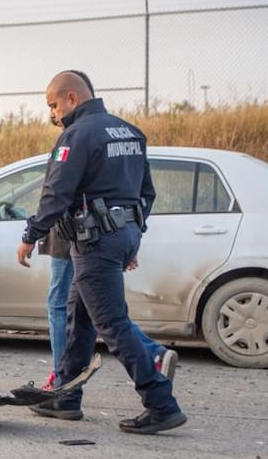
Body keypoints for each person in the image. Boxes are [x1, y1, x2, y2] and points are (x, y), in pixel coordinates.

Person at [16, 71, 186, 434]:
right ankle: (65, 396)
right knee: (79, 319)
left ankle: (160, 403)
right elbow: (147, 193)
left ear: (72, 98)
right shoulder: (128, 131)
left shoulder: (77, 136)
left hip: (95, 241)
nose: (54, 113)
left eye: (53, 104)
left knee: (112, 324)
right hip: (120, 233)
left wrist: (31, 234)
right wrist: (131, 235)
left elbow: (56, 193)